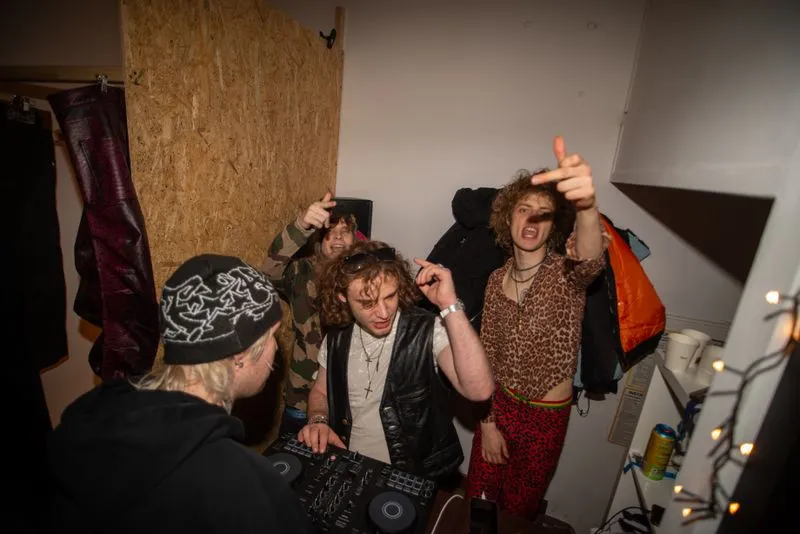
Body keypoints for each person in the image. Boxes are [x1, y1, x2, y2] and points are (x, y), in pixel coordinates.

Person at [47, 254, 315, 534]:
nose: (276, 347)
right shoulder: (249, 494)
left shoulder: (92, 420)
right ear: (241, 355)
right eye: (271, 336)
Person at [466, 136, 608, 519]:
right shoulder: (495, 279)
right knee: (478, 503)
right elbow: (485, 356)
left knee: (517, 513)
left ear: (552, 225)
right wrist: (487, 424)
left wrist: (587, 207)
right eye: (523, 209)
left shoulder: (566, 274)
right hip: (497, 408)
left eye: (542, 213)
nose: (530, 219)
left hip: (545, 418)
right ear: (508, 218)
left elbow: (591, 260)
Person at [297, 240, 495, 479]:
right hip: (351, 467)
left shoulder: (427, 330)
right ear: (342, 297)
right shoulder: (337, 338)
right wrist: (318, 420)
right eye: (367, 303)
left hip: (409, 475)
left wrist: (449, 305)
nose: (383, 312)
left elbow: (479, 390)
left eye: (390, 296)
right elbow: (320, 391)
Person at [263, 192, 358, 434]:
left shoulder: (366, 278)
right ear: (318, 239)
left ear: (355, 239)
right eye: (330, 231)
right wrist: (301, 225)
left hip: (350, 403)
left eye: (345, 231)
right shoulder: (301, 272)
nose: (338, 237)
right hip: (302, 399)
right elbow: (270, 270)